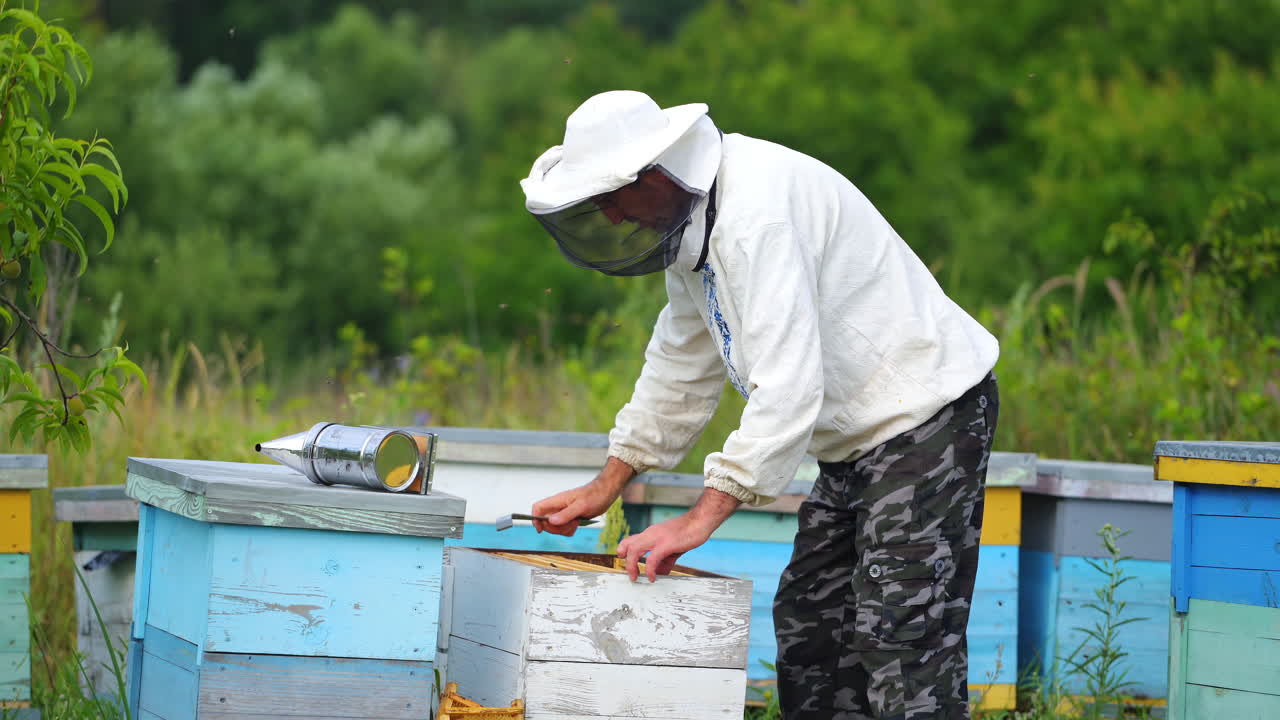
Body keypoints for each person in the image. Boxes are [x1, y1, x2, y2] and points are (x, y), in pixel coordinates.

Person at [519, 89, 1001, 720]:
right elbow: (680, 366)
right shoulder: (693, 227)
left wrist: (698, 520)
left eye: (612, 200)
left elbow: (789, 389)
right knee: (813, 628)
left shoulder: (757, 218)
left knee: (899, 629)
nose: (611, 220)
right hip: (856, 441)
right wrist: (607, 484)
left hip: (926, 423)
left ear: (655, 174)